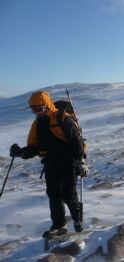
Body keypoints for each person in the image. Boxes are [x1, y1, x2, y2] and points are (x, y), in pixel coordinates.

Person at [9, 90, 88, 238]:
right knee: (53, 193)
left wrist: (81, 162)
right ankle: (59, 226)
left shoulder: (64, 118)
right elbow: (34, 147)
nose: (36, 112)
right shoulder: (37, 124)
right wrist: (20, 152)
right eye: (33, 109)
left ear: (46, 105)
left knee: (68, 193)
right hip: (51, 162)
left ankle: (77, 220)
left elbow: (77, 143)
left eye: (38, 108)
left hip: (69, 161)